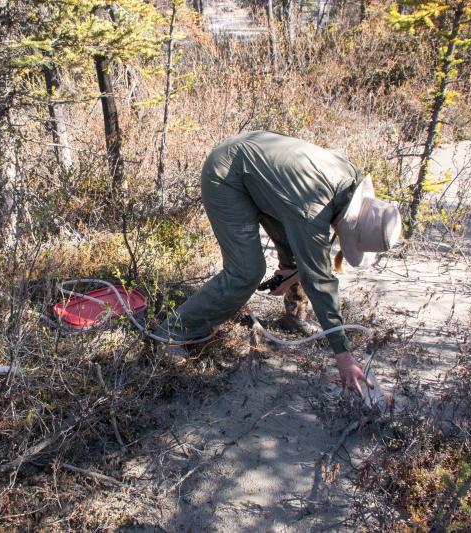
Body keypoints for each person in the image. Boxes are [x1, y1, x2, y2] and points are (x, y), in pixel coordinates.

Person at [159, 131, 402, 393]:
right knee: (246, 271)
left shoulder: (348, 179)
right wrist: (343, 356)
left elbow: (304, 225)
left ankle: (294, 315)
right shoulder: (313, 207)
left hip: (259, 172)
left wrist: (291, 267)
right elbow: (319, 279)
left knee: (301, 259)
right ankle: (173, 331)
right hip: (227, 175)